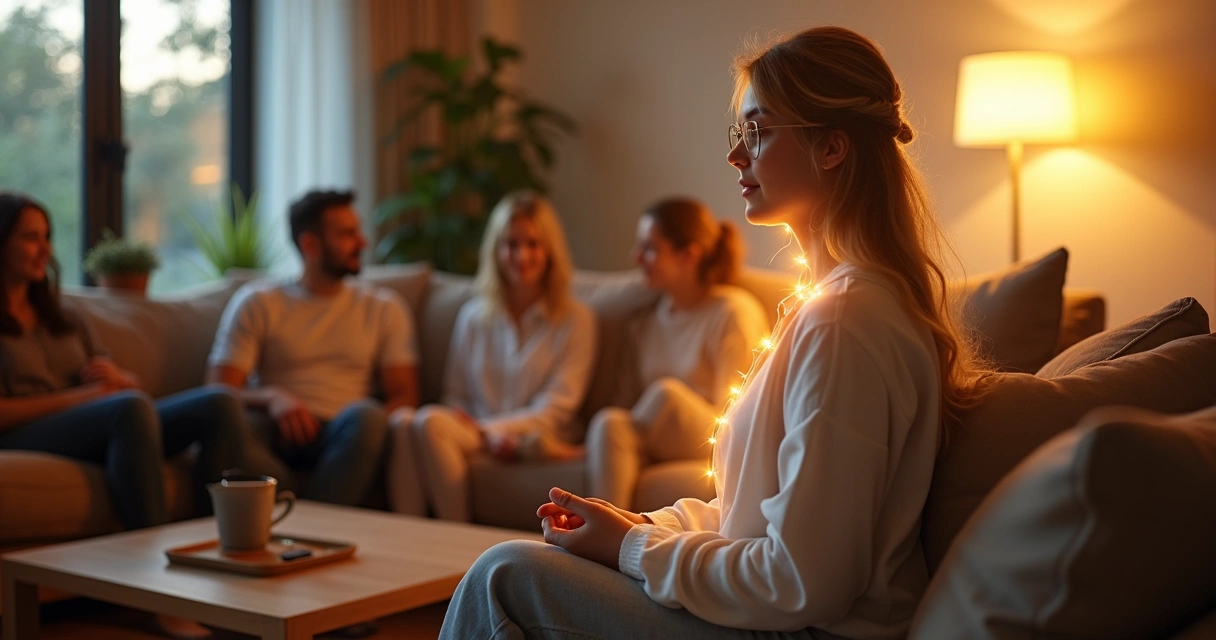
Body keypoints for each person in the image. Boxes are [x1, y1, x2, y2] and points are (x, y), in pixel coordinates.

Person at [439, 26, 990, 640]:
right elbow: (749, 514)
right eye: (740, 134)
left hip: (800, 630)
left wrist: (631, 548)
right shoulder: (827, 309)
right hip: (771, 615)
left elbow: (800, 581)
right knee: (520, 565)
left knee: (504, 575)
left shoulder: (845, 323)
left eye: (757, 131)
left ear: (832, 147)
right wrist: (642, 524)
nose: (736, 156)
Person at [0, 191, 246, 639]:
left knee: (218, 404)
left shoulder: (65, 315)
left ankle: (223, 570)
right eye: (30, 238)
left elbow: (124, 389)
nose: (45, 249)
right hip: (26, 431)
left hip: (94, 419)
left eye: (48, 237)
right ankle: (158, 595)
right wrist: (86, 398)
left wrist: (117, 376)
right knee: (127, 411)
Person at [389, 191, 597, 522]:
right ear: (496, 250)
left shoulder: (576, 319)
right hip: (476, 431)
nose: (521, 255)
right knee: (402, 423)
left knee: (428, 421)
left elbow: (557, 409)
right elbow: (455, 393)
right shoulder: (474, 315)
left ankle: (455, 537)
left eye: (532, 244)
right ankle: (408, 541)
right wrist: (482, 433)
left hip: (539, 436)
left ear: (550, 251)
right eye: (510, 244)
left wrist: (489, 430)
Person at [207, 189, 419, 507]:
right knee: (230, 430)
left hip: (343, 432)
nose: (362, 242)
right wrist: (272, 397)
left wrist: (370, 438)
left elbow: (404, 396)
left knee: (368, 417)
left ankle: (305, 514)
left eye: (357, 231)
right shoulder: (259, 302)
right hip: (272, 431)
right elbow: (217, 391)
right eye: (347, 234)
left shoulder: (384, 308)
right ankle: (307, 510)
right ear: (310, 244)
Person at [585, 197, 768, 510]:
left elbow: (740, 414)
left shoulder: (732, 311)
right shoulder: (643, 323)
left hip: (713, 435)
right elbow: (626, 407)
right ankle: (604, 532)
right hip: (648, 436)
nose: (636, 258)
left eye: (650, 249)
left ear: (689, 256)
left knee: (665, 394)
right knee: (608, 422)